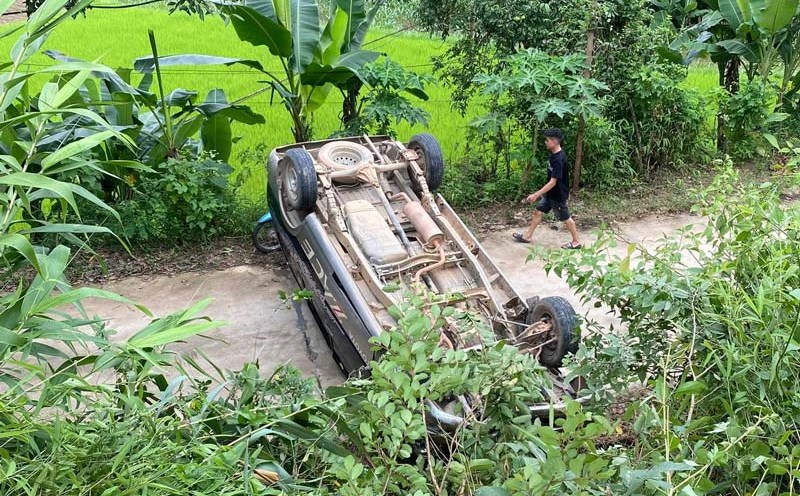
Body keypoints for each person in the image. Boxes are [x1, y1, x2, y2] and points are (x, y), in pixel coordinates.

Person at [513, 128, 582, 249]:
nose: (545, 142)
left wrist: (536, 194)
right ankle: (527, 236)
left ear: (554, 142)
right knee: (538, 211)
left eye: (547, 140)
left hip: (558, 195)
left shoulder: (559, 159)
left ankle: (576, 241)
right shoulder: (554, 156)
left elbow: (553, 182)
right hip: (550, 194)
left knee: (566, 218)